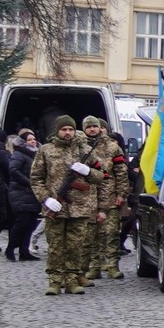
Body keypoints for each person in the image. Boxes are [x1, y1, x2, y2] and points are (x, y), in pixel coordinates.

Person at [29, 114, 101, 295]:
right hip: (55, 206)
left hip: (79, 207)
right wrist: (45, 198)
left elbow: (102, 176)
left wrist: (88, 171)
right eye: (64, 129)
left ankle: (71, 280)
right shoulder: (46, 150)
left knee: (75, 246)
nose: (67, 133)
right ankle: (54, 281)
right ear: (57, 131)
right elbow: (36, 178)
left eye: (70, 129)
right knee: (55, 246)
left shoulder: (85, 150)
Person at [80, 115, 129, 281]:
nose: (93, 129)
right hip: (87, 197)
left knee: (112, 232)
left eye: (95, 126)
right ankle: (94, 267)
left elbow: (121, 172)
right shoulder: (79, 146)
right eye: (89, 127)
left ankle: (113, 265)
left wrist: (122, 194)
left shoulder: (112, 147)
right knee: (91, 235)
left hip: (109, 196)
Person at [4, 131, 40, 261]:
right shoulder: (19, 154)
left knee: (31, 223)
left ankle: (24, 251)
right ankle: (10, 248)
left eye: (34, 139)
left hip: (33, 193)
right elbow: (13, 170)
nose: (33, 141)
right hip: (20, 192)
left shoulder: (36, 155)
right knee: (21, 222)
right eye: (30, 139)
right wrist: (29, 182)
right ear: (23, 142)